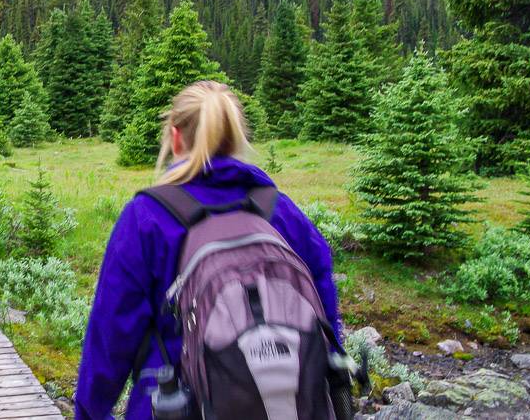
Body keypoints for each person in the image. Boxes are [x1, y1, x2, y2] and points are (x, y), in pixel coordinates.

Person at [75, 81, 342, 419]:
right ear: (235, 135)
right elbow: (325, 323)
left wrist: (90, 411)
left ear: (175, 137)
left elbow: (110, 337)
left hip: (174, 406)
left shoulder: (145, 218)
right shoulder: (280, 211)